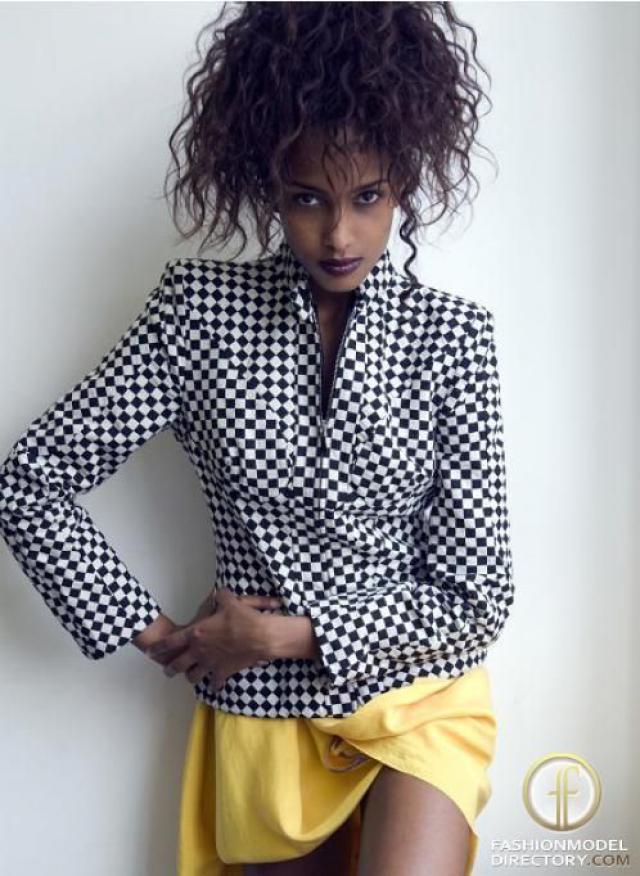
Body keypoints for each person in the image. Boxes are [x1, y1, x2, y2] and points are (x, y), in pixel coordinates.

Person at [0, 3, 515, 874]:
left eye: (367, 197)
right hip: (262, 709)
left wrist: (285, 633)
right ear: (268, 186)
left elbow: (478, 598)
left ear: (403, 184)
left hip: (417, 694)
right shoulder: (197, 316)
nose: (339, 234)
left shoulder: (453, 339)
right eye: (308, 198)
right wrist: (156, 632)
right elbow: (30, 482)